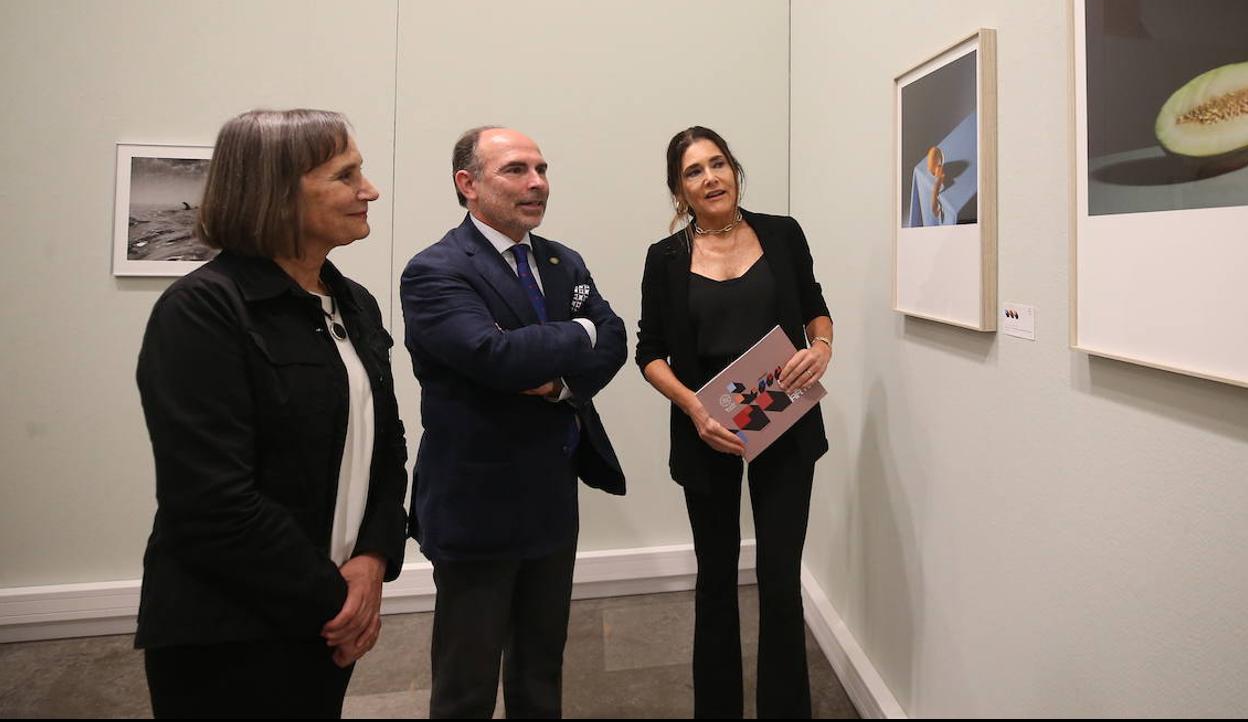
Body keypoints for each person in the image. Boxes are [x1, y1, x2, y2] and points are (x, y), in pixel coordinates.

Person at [134, 109, 409, 719]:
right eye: (346, 175)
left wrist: (372, 561)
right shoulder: (202, 311)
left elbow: (384, 447)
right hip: (231, 632)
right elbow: (212, 500)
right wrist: (336, 596)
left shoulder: (353, 302)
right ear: (277, 194)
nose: (370, 190)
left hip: (328, 621)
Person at [400, 126, 627, 719]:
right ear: (467, 184)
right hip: (476, 505)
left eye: (542, 169)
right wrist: (578, 333)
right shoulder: (435, 270)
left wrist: (558, 381)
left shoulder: (560, 260)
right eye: (517, 170)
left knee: (540, 670)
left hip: (551, 499)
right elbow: (491, 356)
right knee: (466, 684)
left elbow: (614, 341)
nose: (537, 183)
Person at [635, 126, 833, 718]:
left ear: (735, 170)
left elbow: (816, 306)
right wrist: (695, 407)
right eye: (694, 171)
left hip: (785, 423)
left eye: (717, 163)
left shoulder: (782, 234)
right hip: (709, 432)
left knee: (779, 579)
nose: (710, 178)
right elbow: (649, 352)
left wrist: (822, 348)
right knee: (716, 580)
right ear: (679, 190)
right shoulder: (664, 258)